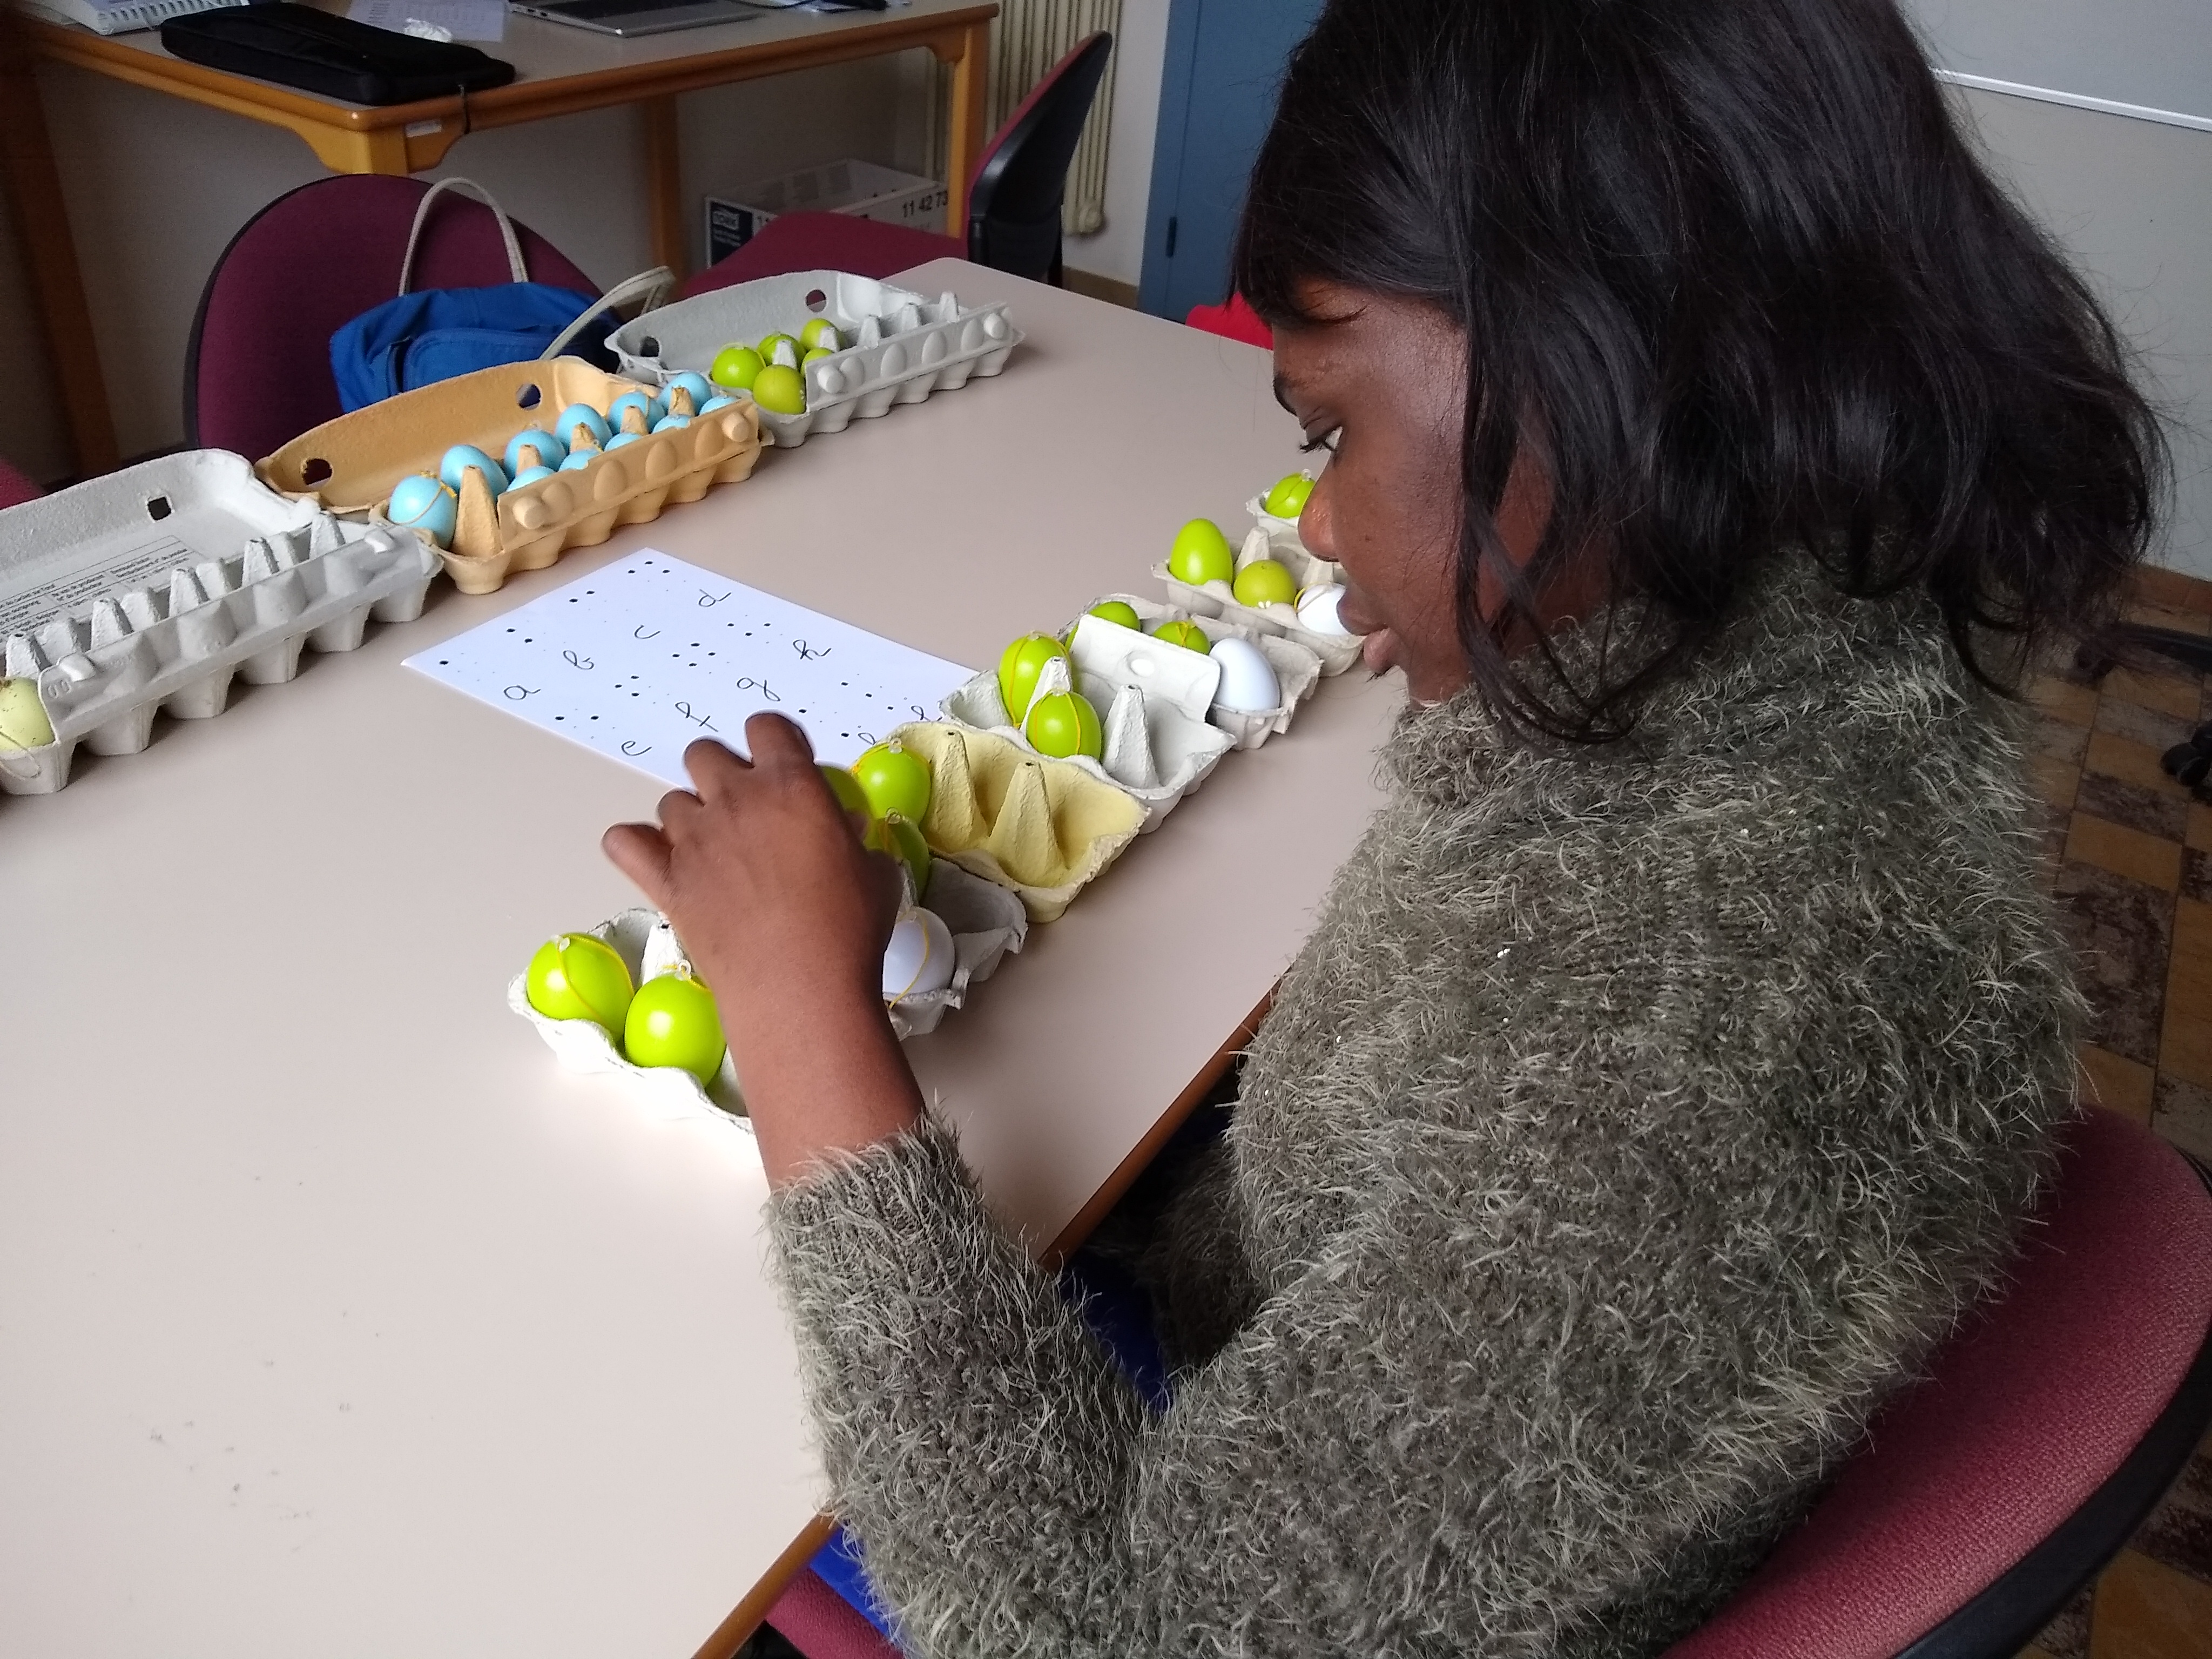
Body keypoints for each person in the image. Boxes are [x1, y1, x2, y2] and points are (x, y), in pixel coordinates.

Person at [602, 0, 2163, 1650]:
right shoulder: (1767, 662)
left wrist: (793, 1010)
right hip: (1338, 1397)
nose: (1326, 526)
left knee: (621, 1405)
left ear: (1611, 355)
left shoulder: (1707, 1040)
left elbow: (1103, 1629)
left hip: (1196, 1533)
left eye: (1336, 427)